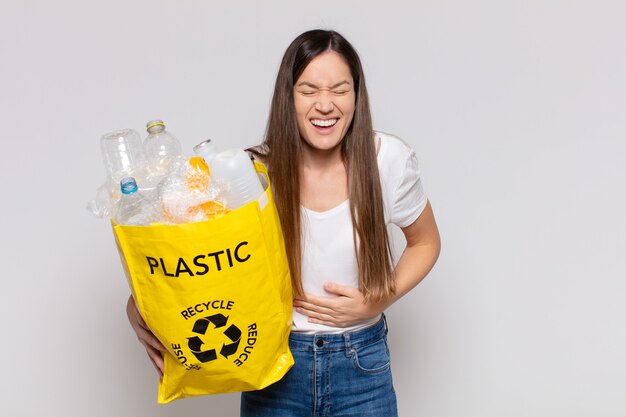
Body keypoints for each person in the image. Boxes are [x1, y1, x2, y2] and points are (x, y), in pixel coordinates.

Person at [127, 29, 440, 416]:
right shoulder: (251, 171)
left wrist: (379, 298)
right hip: (276, 369)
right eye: (308, 90)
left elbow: (425, 242)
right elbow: (203, 262)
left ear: (357, 97)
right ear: (288, 97)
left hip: (362, 365)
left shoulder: (386, 159)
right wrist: (139, 306)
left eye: (339, 90)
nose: (325, 105)